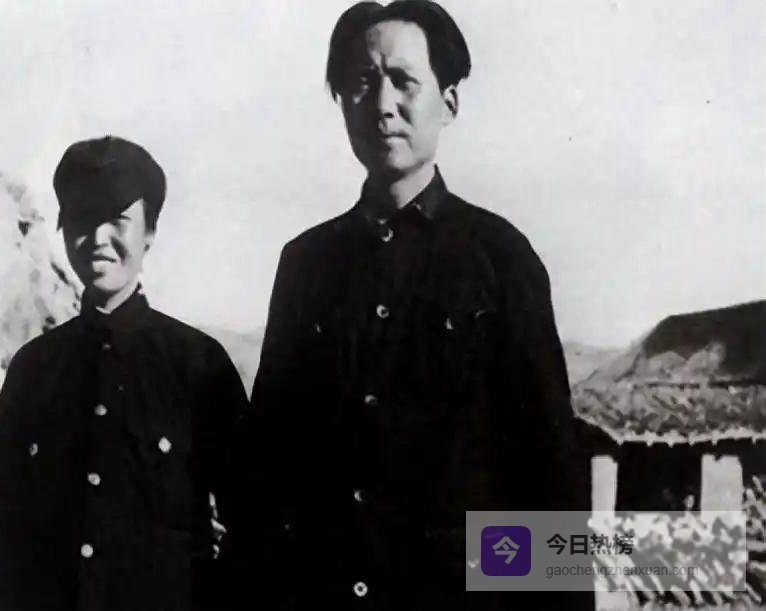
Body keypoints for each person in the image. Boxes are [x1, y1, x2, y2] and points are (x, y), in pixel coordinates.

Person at [247, 1, 593, 609]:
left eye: (404, 81)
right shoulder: (305, 266)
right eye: (362, 82)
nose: (382, 104)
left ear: (449, 103)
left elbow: (551, 479)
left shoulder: (501, 259)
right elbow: (268, 473)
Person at [0, 136, 248, 611]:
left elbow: (251, 521)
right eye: (82, 217)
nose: (99, 237)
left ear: (149, 232)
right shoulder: (33, 369)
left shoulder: (198, 364)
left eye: (117, 220)